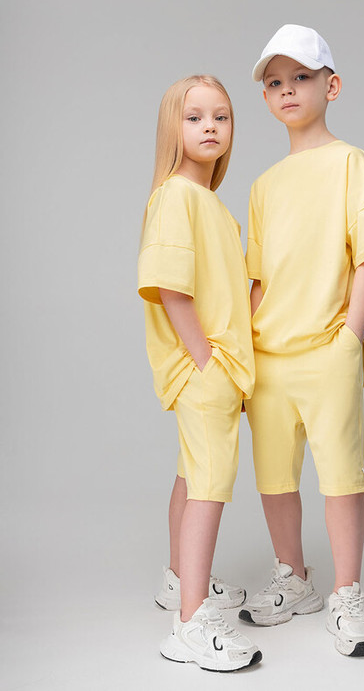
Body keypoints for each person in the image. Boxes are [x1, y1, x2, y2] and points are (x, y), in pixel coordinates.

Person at [239, 25, 364, 658]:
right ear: (265, 97)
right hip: (269, 356)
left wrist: (350, 336)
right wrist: (241, 354)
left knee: (341, 473)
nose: (287, 90)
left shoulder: (349, 162)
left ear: (331, 86)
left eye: (301, 77)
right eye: (274, 82)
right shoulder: (263, 186)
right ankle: (294, 578)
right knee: (273, 475)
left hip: (327, 349)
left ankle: (347, 594)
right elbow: (257, 280)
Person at [137, 75, 262, 672]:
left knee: (192, 473)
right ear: (173, 127)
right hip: (204, 366)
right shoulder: (176, 196)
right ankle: (190, 624)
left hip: (216, 365)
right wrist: (208, 359)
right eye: (194, 118)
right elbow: (169, 287)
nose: (210, 127)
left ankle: (178, 580)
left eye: (221, 116)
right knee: (210, 483)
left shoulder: (208, 201)